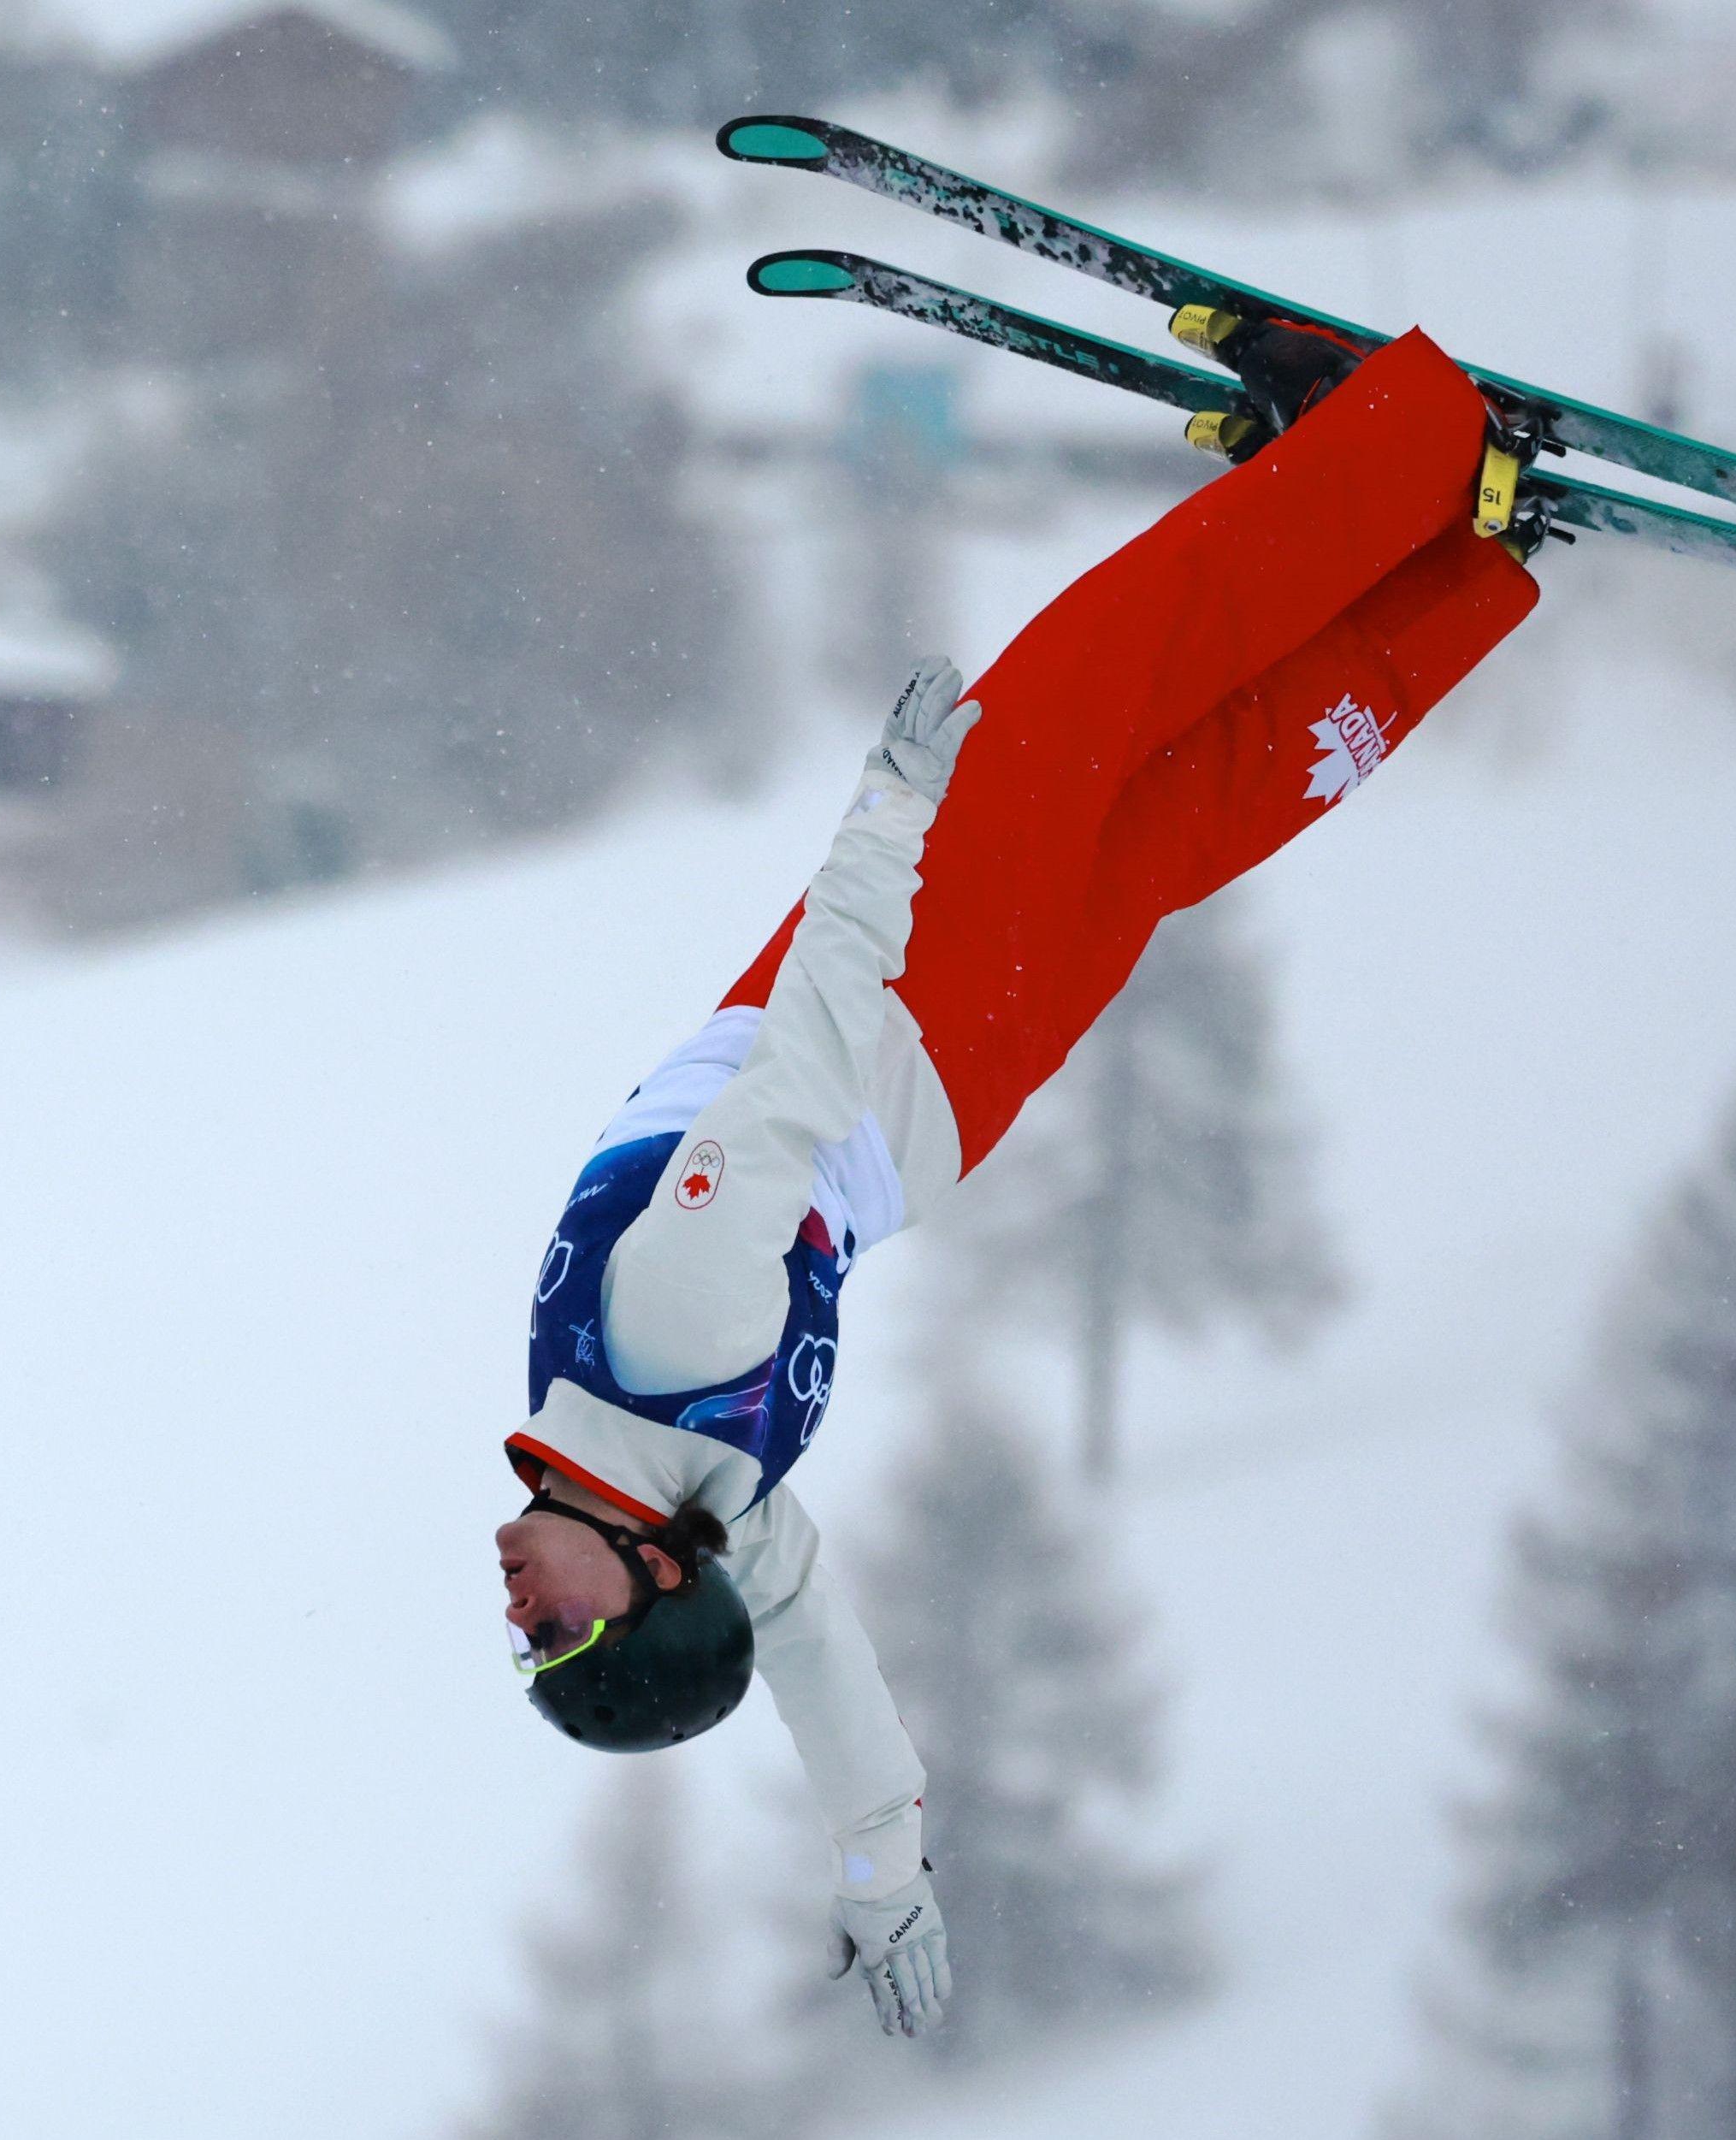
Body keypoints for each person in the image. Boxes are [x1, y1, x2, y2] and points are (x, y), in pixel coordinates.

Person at [496, 322, 1543, 2040]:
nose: (525, 1616)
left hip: (956, 1096)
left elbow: (828, 1681)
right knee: (1113, 664)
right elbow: (796, 1067)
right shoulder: (656, 1332)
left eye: (528, 1646)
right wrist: (888, 816)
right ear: (654, 1583)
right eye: (567, 1637)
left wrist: (882, 1871)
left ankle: (1463, 561)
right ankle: (1415, 445)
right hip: (906, 993)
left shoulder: (729, 1509)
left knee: (1183, 804)